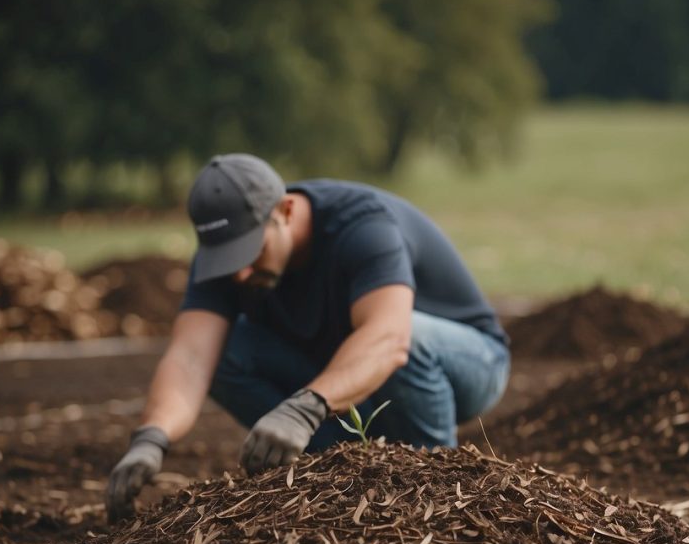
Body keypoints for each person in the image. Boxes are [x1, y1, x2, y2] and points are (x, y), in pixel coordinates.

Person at [105, 154, 510, 523]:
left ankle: (440, 488)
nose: (240, 275)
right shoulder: (229, 259)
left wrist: (305, 407)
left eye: (251, 250)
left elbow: (388, 338)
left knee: (410, 334)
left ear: (285, 210)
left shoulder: (363, 226)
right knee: (224, 351)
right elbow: (191, 357)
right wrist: (152, 437)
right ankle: (341, 470)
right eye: (226, 259)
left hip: (469, 364)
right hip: (349, 373)